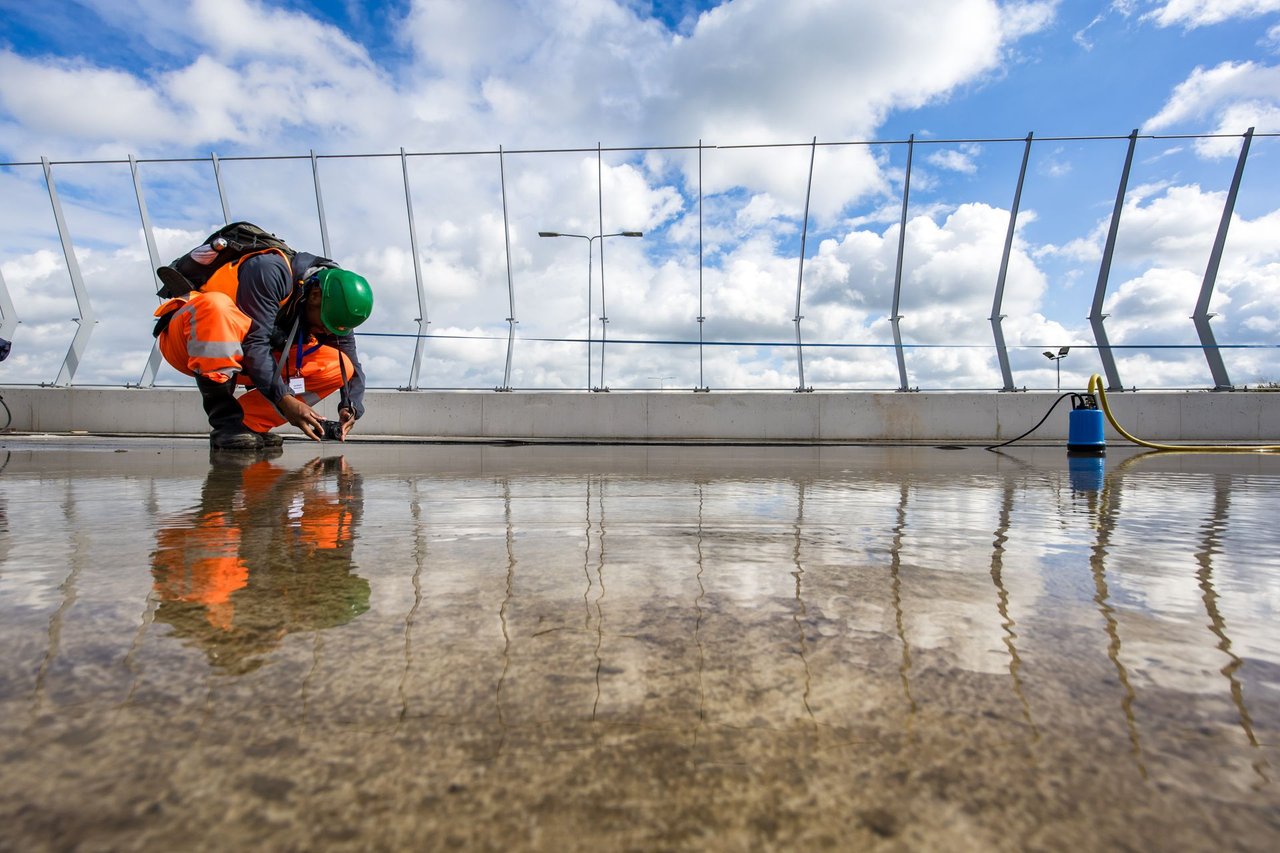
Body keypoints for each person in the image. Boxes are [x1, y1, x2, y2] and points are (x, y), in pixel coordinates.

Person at [153, 243, 373, 450]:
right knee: (216, 307)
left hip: (245, 358)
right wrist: (285, 400)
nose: (327, 332)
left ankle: (247, 425)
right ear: (315, 296)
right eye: (326, 325)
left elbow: (351, 361)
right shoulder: (269, 270)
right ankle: (226, 425)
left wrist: (351, 405)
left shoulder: (332, 306)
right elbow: (256, 344)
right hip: (187, 341)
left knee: (338, 364)